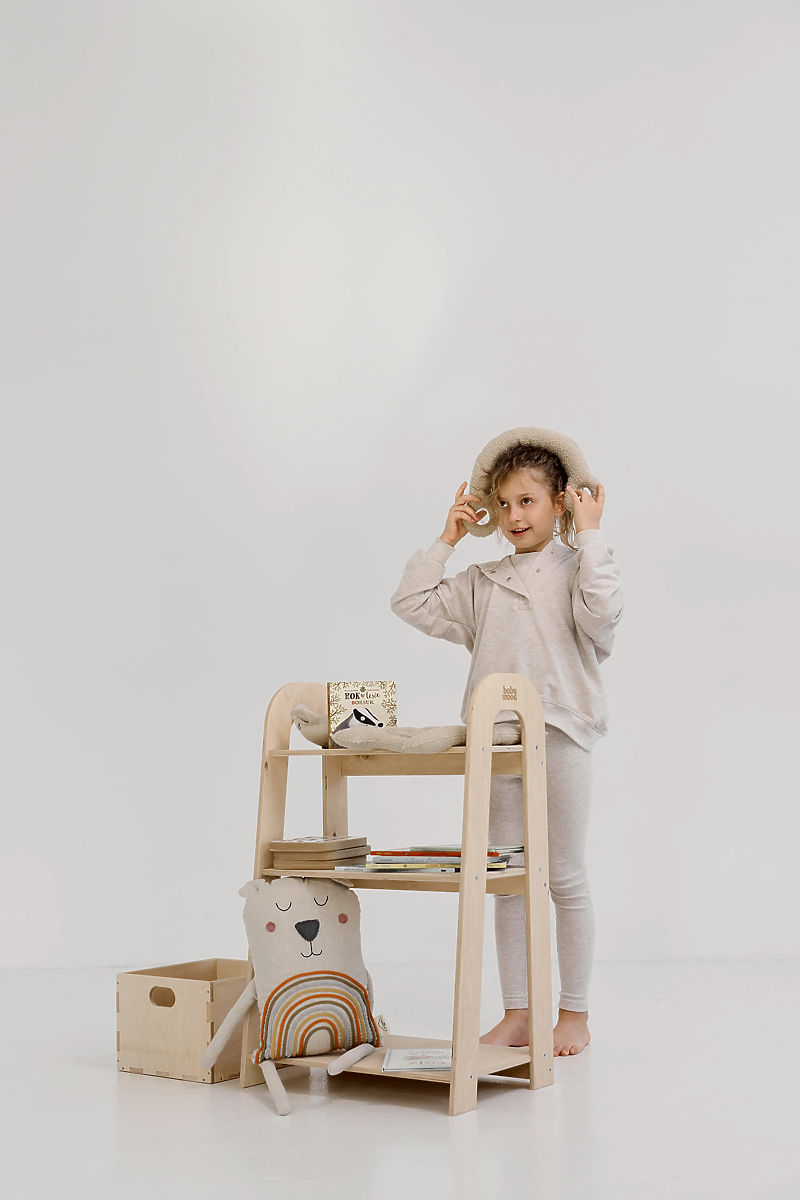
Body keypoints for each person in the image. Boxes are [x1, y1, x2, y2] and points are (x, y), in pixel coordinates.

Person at [389, 438, 623, 1056]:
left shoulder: (581, 567)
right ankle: (518, 1011)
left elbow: (604, 618)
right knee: (507, 877)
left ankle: (574, 1013)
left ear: (559, 503)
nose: (514, 516)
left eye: (527, 501)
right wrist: (448, 539)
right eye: (503, 504)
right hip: (495, 742)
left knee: (564, 875)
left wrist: (591, 534)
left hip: (562, 733)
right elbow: (410, 602)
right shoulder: (482, 582)